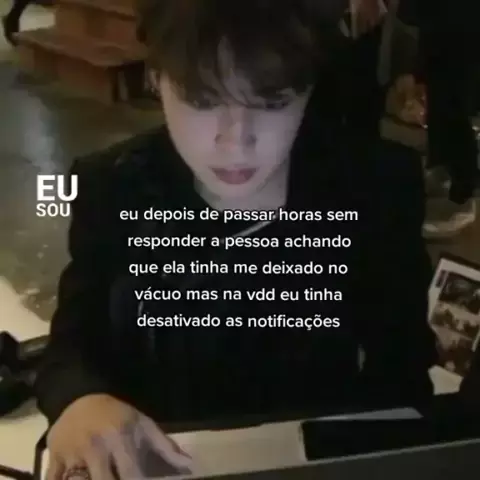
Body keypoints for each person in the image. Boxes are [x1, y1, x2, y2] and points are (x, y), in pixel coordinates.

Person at [35, 1, 438, 479]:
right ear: (156, 79)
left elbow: (403, 370)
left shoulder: (377, 185)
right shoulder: (111, 185)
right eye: (203, 101)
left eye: (272, 102)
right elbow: (71, 346)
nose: (236, 141)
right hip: (160, 456)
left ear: (308, 89)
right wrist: (80, 400)